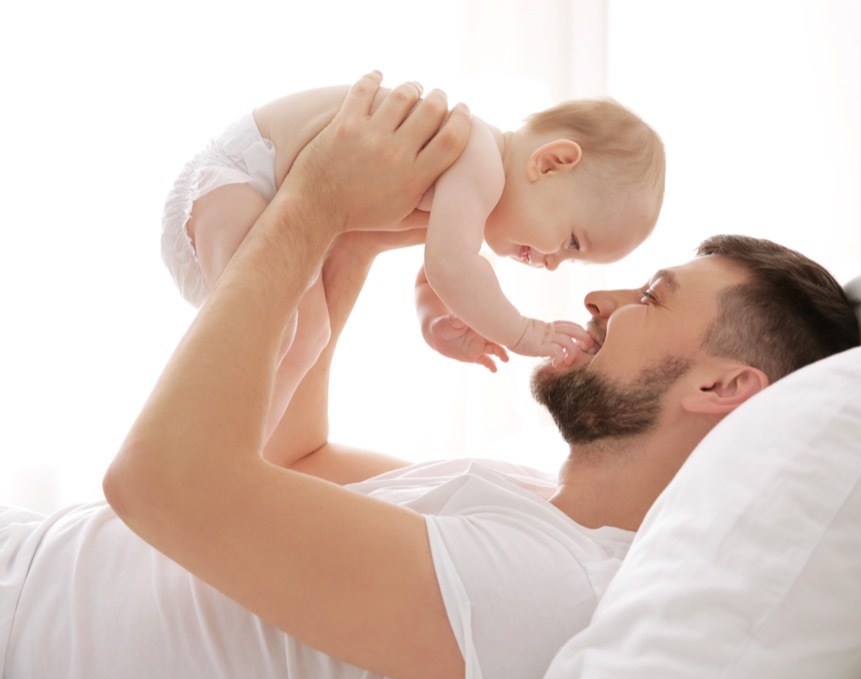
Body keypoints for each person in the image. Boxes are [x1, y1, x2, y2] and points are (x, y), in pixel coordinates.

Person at [0, 72, 860, 679]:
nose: (595, 292)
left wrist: (314, 206)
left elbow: (160, 484)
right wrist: (350, 241)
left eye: (650, 295)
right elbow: (292, 458)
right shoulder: (522, 497)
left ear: (719, 387)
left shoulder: (548, 586)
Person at [161, 80, 666, 436]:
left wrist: (434, 320)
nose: (555, 262)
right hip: (237, 178)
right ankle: (215, 453)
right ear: (551, 163)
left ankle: (240, 455)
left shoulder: (470, 195)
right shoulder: (478, 157)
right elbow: (451, 269)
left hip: (261, 198)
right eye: (573, 242)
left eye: (573, 261)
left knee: (304, 331)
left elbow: (435, 273)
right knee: (282, 326)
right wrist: (524, 332)